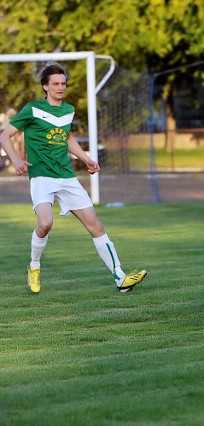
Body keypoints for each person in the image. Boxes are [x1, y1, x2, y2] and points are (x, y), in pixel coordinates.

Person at [0, 62, 147, 294]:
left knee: (95, 225)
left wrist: (86, 158)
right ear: (45, 86)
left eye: (63, 83)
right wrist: (17, 160)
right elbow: (5, 135)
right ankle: (34, 267)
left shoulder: (68, 110)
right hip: (41, 178)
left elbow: (68, 138)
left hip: (67, 177)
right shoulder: (32, 109)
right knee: (45, 224)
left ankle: (121, 277)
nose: (61, 87)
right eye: (56, 84)